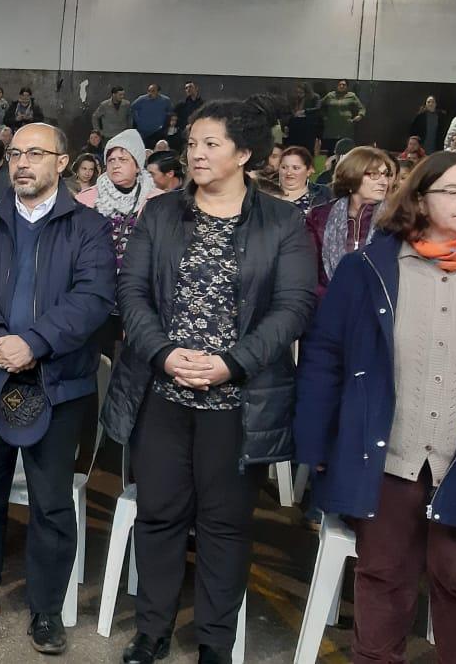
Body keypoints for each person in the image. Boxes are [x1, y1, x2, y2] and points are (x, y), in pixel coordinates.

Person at [294, 151, 456, 664]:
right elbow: (324, 358)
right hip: (387, 458)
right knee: (382, 580)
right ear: (420, 199)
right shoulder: (369, 270)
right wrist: (316, 445)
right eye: (454, 191)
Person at [102, 96, 316, 664]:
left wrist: (232, 363)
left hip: (238, 402)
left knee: (224, 525)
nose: (195, 153)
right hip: (162, 392)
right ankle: (151, 631)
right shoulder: (161, 212)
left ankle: (215, 643)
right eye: (192, 143)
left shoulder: (283, 221)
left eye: (210, 144)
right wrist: (165, 354)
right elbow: (133, 294)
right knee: (160, 514)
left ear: (244, 153)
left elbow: (293, 308)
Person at [0, 122, 115, 655]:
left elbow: (94, 296)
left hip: (58, 385)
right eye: (15, 153)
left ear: (62, 162)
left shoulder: (88, 228)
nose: (21, 163)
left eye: (36, 153)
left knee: (51, 502)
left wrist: (33, 343)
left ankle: (45, 609)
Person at [305, 146, 395, 294]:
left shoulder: (397, 217)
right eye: (374, 175)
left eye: (386, 174)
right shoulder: (319, 216)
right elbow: (308, 271)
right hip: (328, 304)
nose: (383, 182)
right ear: (353, 175)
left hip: (377, 307)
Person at [74, 129, 164, 273]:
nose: (116, 165)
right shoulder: (84, 200)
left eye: (123, 159)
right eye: (111, 160)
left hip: (141, 281)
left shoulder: (159, 201)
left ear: (137, 166)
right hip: (95, 277)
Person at [277, 145, 330, 215]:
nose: (289, 172)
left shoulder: (324, 194)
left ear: (309, 171)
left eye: (296, 168)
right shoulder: (265, 194)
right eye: (284, 167)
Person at [319, 79, 365, 153]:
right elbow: (320, 105)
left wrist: (360, 115)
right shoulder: (330, 95)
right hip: (331, 126)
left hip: (346, 126)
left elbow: (361, 108)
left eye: (344, 85)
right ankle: (328, 164)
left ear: (347, 87)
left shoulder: (351, 96)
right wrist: (324, 116)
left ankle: (343, 164)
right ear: (337, 86)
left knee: (345, 150)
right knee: (329, 149)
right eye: (340, 84)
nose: (341, 86)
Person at [172, 82, 204, 148]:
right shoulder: (181, 105)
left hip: (199, 130)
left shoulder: (203, 104)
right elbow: (174, 116)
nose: (188, 89)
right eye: (186, 88)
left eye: (190, 87)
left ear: (196, 88)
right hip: (184, 132)